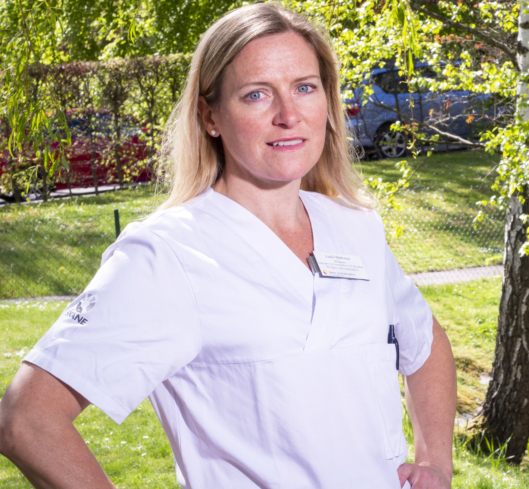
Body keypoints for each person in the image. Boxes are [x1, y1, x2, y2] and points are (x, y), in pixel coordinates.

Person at [0, 4, 457, 488]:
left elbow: (425, 343)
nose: (288, 115)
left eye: (304, 87)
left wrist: (435, 463)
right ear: (210, 116)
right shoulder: (167, 254)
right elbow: (27, 419)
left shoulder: (354, 226)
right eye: (256, 94)